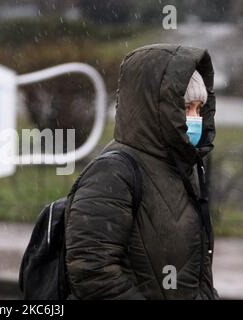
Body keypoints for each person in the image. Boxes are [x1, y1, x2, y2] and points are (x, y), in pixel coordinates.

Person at [65, 44, 219, 299]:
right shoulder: (112, 173)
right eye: (185, 108)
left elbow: (198, 271)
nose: (194, 119)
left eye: (199, 109)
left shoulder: (184, 168)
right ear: (157, 108)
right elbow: (92, 271)